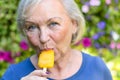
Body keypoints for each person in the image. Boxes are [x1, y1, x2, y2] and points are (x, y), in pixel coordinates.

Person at [1, 0, 112, 80]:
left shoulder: (97, 68)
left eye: (53, 23)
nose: (43, 38)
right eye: (32, 27)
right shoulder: (13, 76)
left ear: (74, 24)